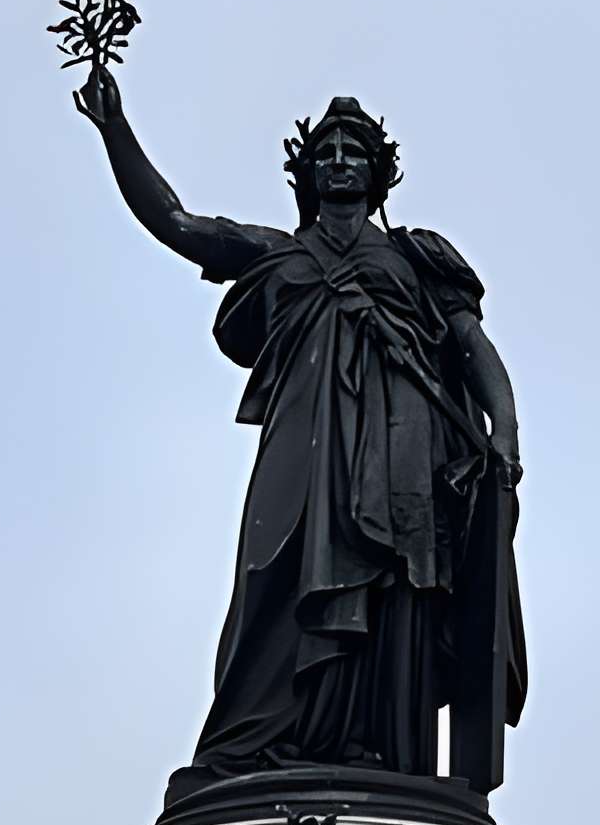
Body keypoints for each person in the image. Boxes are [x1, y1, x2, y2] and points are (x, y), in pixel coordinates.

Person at [75, 72, 526, 787]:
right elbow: (179, 225)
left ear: (379, 174)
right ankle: (256, 739)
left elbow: (472, 349)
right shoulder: (277, 255)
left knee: (393, 587)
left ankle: (380, 752)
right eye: (326, 150)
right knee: (274, 569)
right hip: (301, 442)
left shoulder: (416, 257)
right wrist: (114, 130)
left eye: (355, 149)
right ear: (306, 173)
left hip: (402, 447)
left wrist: (505, 428)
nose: (340, 158)